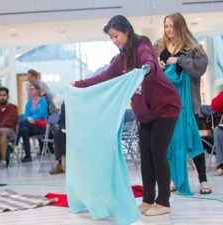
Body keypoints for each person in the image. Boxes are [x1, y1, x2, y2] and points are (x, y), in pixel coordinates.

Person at [73, 15, 181, 216]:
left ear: (127, 31)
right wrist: (78, 84)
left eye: (116, 36)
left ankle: (163, 202)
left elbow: (149, 60)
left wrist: (147, 68)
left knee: (157, 152)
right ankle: (148, 199)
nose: (114, 40)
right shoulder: (122, 58)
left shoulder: (141, 47)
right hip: (146, 111)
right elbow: (105, 77)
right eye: (111, 37)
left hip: (166, 106)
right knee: (145, 155)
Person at [154, 12, 211, 195]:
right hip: (165, 104)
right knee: (169, 142)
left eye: (172, 26)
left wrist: (178, 59)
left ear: (180, 26)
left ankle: (203, 180)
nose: (169, 29)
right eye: (166, 26)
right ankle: (172, 178)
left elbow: (201, 67)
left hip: (188, 104)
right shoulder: (159, 46)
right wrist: (157, 63)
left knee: (193, 140)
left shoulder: (193, 47)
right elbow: (147, 66)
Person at [16, 82, 48, 162]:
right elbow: (25, 115)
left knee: (23, 123)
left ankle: (16, 141)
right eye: (30, 89)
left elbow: (41, 114)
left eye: (32, 89)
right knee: (24, 130)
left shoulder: (43, 101)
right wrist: (29, 119)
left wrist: (31, 119)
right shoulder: (29, 103)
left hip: (40, 127)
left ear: (37, 90)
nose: (31, 91)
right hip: (30, 125)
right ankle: (28, 155)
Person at [49, 102, 66, 174]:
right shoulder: (65, 104)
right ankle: (60, 162)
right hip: (66, 127)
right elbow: (62, 120)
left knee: (61, 133)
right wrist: (59, 126)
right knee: (57, 132)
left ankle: (62, 163)